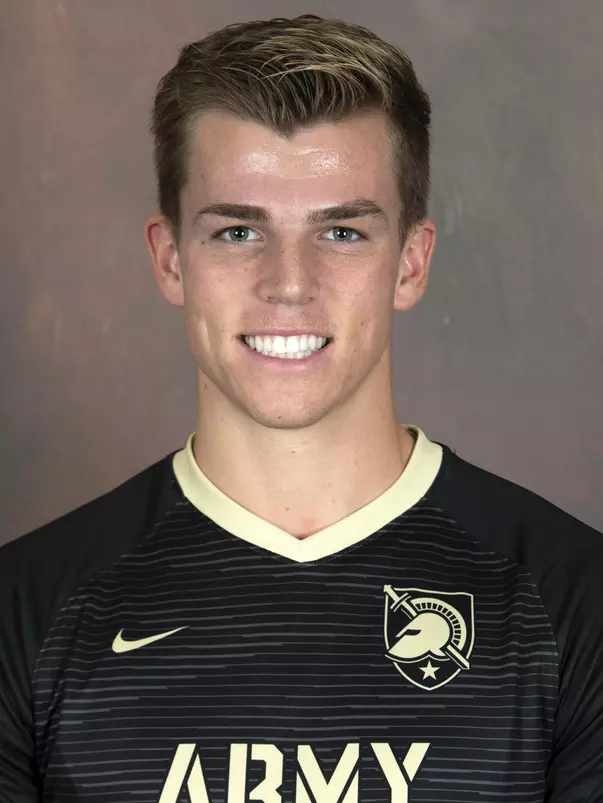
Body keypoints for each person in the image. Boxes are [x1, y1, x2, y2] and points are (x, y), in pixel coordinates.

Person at [1, 12, 602, 803]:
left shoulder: (572, 601)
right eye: (237, 231)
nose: (288, 284)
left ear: (410, 262)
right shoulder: (27, 609)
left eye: (342, 232)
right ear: (171, 259)